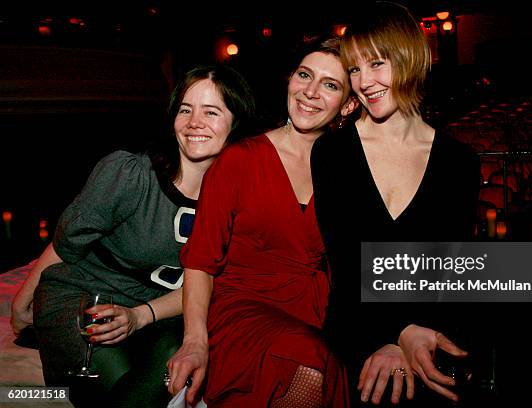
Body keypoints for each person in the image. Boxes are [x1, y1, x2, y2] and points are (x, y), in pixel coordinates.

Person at [10, 64, 257, 408]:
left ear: (236, 124)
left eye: (211, 112)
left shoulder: (241, 200)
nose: (194, 122)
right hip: (86, 298)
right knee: (118, 385)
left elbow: (210, 282)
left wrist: (141, 314)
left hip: (158, 311)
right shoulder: (131, 175)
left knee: (177, 361)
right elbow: (68, 243)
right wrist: (24, 303)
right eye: (185, 110)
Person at [166, 37, 359, 408]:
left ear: (348, 104)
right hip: (242, 309)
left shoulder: (348, 171)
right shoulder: (239, 160)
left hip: (318, 312)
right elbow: (200, 260)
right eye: (304, 75)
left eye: (330, 84)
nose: (310, 92)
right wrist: (194, 341)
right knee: (307, 365)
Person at [311, 2, 481, 406]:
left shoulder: (459, 162)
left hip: (432, 330)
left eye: (376, 64)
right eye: (355, 69)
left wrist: (414, 334)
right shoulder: (333, 152)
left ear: (408, 60)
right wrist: (393, 335)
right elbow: (349, 266)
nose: (364, 81)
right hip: (354, 331)